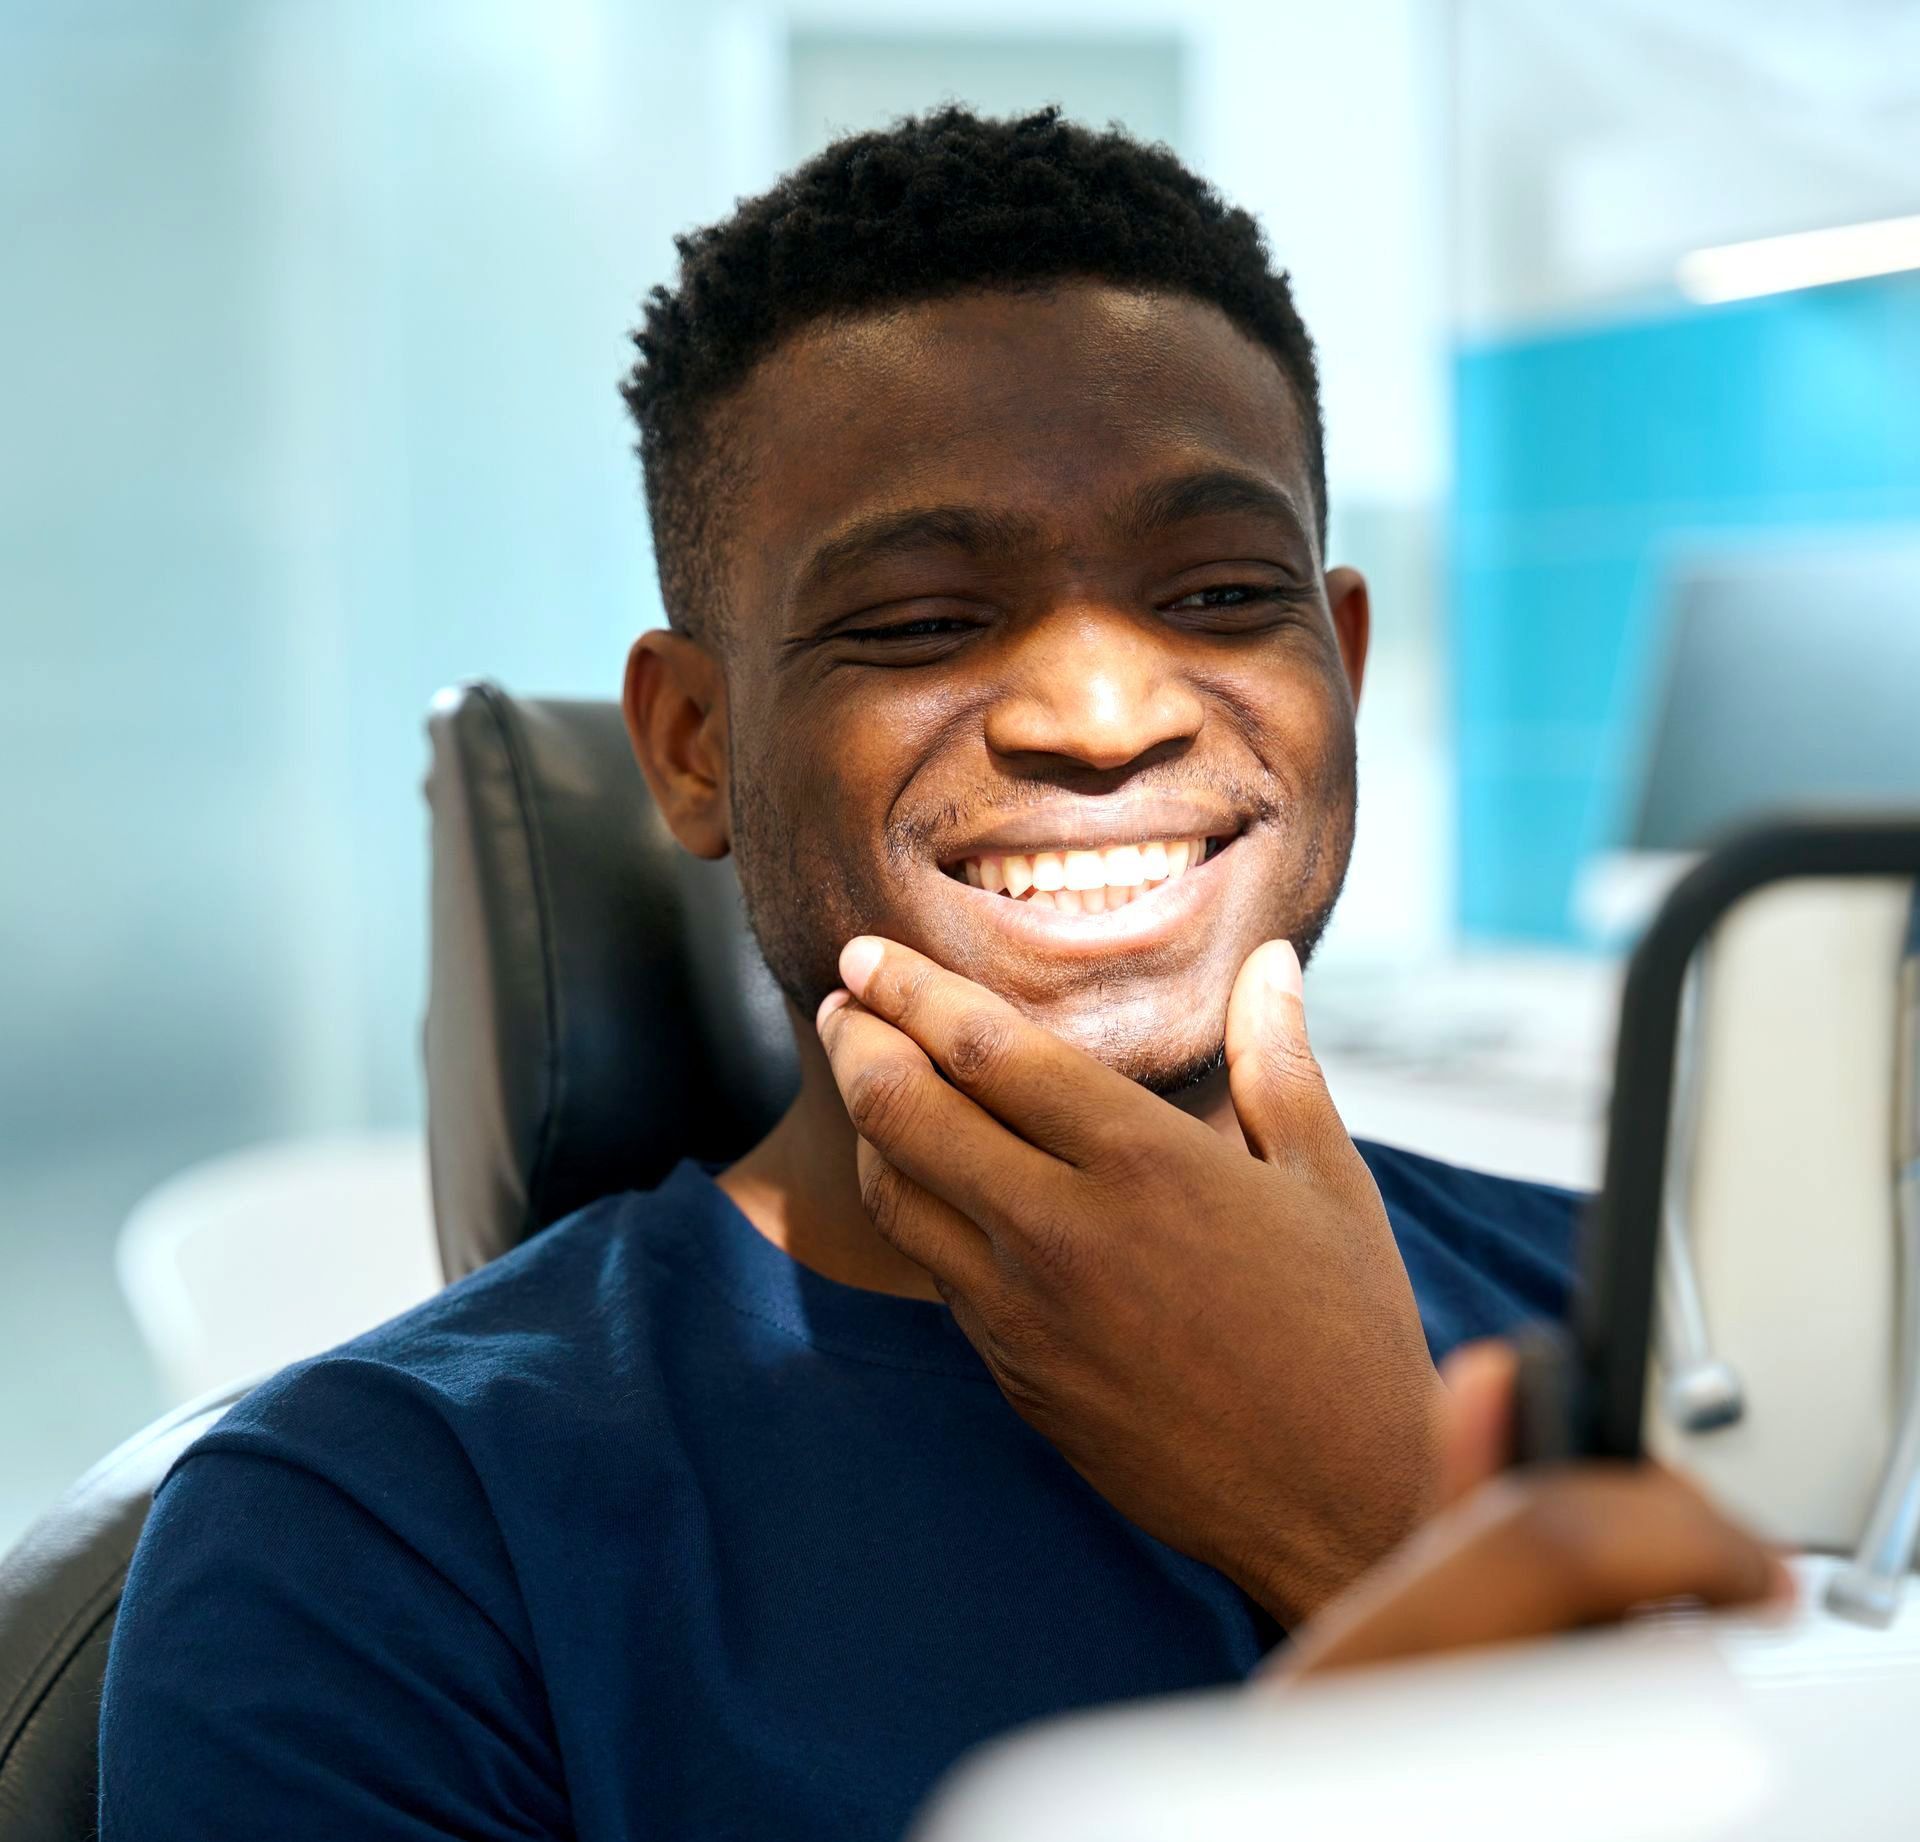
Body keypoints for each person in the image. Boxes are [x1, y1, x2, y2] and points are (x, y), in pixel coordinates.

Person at [97, 108, 1777, 1841]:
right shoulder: (372, 1545)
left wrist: (1372, 1494)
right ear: (692, 744)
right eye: (918, 620)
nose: (1106, 713)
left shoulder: (1675, 1330)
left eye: (1218, 590)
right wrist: (1379, 1556)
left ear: (1341, 660)